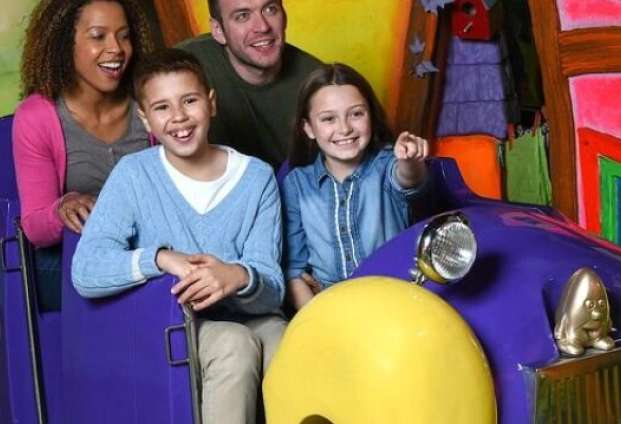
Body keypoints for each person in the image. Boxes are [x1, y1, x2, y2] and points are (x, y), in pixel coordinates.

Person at [71, 48, 286, 424]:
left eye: (189, 101)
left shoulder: (256, 177)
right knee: (234, 346)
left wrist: (238, 275)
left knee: (288, 343)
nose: (179, 117)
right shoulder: (134, 175)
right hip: (169, 321)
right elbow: (86, 270)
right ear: (145, 119)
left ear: (212, 103)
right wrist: (159, 258)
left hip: (247, 313)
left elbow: (272, 285)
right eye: (162, 108)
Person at [13, 0, 155, 310]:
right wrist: (63, 207)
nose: (116, 48)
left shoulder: (150, 100)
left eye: (124, 35)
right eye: (98, 36)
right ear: (67, 43)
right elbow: (35, 227)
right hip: (76, 255)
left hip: (149, 249)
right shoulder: (37, 116)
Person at [281, 63, 430, 310]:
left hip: (394, 300)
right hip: (329, 307)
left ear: (371, 115)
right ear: (308, 128)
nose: (345, 128)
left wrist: (411, 160)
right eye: (328, 118)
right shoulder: (297, 184)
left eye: (356, 114)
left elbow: (409, 181)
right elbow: (293, 271)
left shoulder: (387, 165)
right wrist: (315, 321)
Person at [177, 0, 321, 169]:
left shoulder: (318, 84)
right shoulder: (183, 67)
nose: (262, 27)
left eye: (270, 9)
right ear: (218, 30)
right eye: (243, 16)